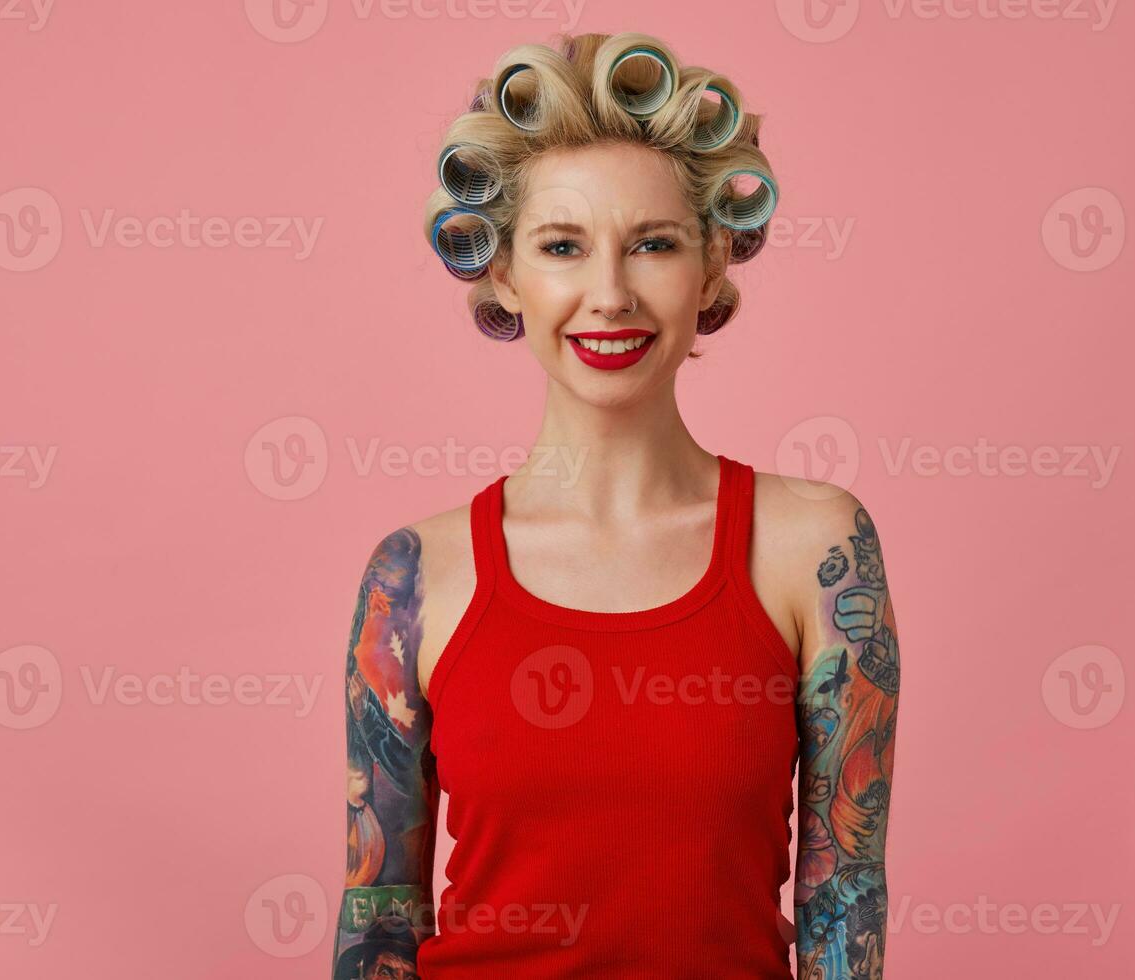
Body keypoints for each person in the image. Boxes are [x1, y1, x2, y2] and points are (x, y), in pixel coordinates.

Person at [332, 30, 901, 979]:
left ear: (713, 265)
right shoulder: (413, 576)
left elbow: (847, 902)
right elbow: (379, 916)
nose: (609, 293)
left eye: (654, 245)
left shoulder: (816, 545)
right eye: (563, 246)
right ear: (506, 271)